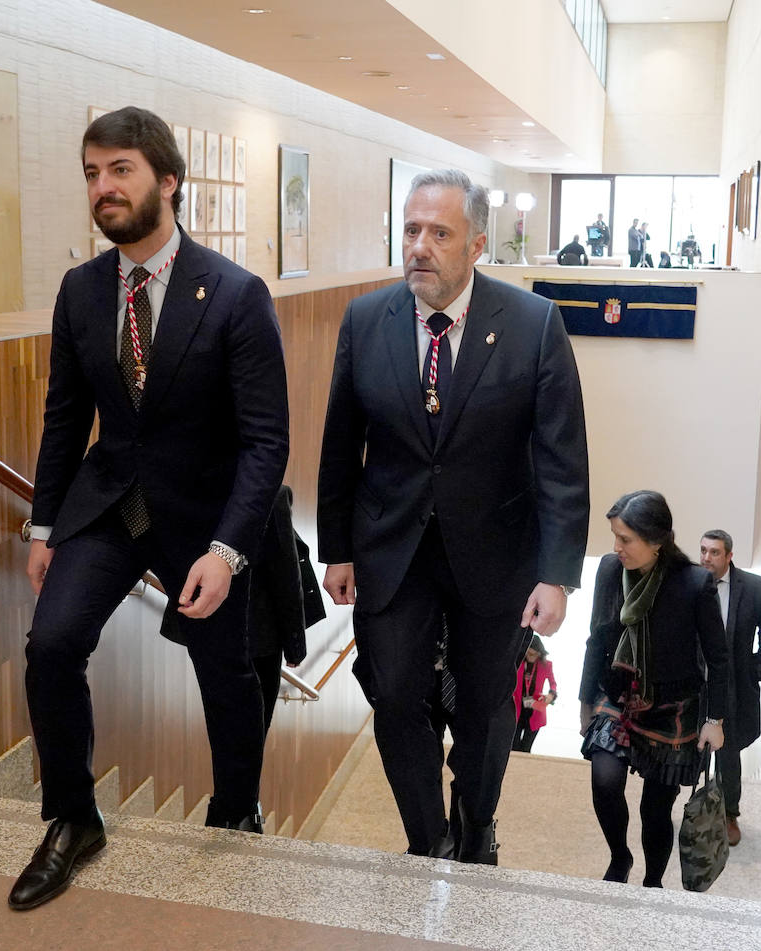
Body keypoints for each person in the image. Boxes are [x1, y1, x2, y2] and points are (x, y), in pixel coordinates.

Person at [9, 106, 289, 911]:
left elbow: (267, 442)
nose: (103, 188)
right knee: (52, 645)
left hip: (207, 517)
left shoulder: (236, 294)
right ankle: (73, 817)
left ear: (168, 179)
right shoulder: (81, 291)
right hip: (108, 505)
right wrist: (43, 524)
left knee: (226, 673)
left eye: (120, 169)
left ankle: (236, 809)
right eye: (92, 173)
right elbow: (66, 417)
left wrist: (228, 551)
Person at [317, 168, 589, 865]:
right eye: (411, 230)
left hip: (495, 549)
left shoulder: (533, 325)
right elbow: (341, 442)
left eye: (439, 233)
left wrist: (557, 574)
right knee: (396, 692)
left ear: (474, 245)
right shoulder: (364, 319)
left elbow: (561, 460)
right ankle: (426, 836)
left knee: (484, 703)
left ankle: (475, 821)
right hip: (392, 545)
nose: (420, 246)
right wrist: (336, 548)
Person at [581, 491, 728, 888]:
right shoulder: (611, 571)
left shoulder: (696, 583)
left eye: (625, 539)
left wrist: (714, 719)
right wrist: (584, 703)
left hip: (673, 708)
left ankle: (653, 882)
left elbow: (719, 658)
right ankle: (620, 857)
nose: (616, 548)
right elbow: (596, 639)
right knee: (604, 780)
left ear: (657, 540)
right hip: (619, 697)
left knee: (655, 809)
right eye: (615, 536)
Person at [698, 529, 761, 848]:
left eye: (714, 552)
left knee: (728, 752)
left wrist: (756, 672)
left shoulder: (754, 587)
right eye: (703, 550)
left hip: (734, 685)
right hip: (696, 682)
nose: (706, 557)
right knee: (688, 746)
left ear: (729, 556)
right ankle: (696, 809)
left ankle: (729, 813)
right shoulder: (693, 582)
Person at [247, 485, 325, 733]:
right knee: (252, 736)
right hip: (261, 637)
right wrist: (295, 646)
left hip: (215, 635)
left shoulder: (199, 487)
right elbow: (286, 574)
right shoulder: (270, 493)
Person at [512, 634, 558, 752]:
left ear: (539, 653)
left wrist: (551, 695)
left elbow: (553, 684)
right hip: (516, 710)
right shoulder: (517, 662)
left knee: (526, 749)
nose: (530, 656)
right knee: (513, 748)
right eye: (528, 653)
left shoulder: (546, 665)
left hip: (535, 710)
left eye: (533, 654)